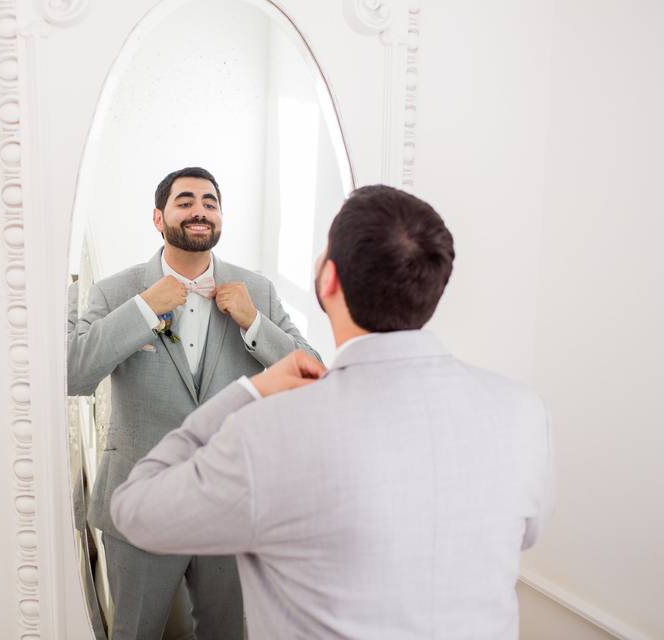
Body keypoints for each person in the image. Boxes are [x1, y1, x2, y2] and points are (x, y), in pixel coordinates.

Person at [111, 184, 555, 639]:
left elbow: (134, 509)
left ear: (328, 279)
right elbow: (523, 534)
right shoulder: (523, 411)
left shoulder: (267, 429)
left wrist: (246, 392)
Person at [68, 166, 319, 639]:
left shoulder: (257, 291)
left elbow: (313, 375)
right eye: (185, 201)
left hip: (228, 505)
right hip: (138, 505)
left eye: (210, 202)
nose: (200, 210)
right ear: (159, 218)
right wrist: (143, 309)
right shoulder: (115, 292)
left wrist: (253, 324)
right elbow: (73, 373)